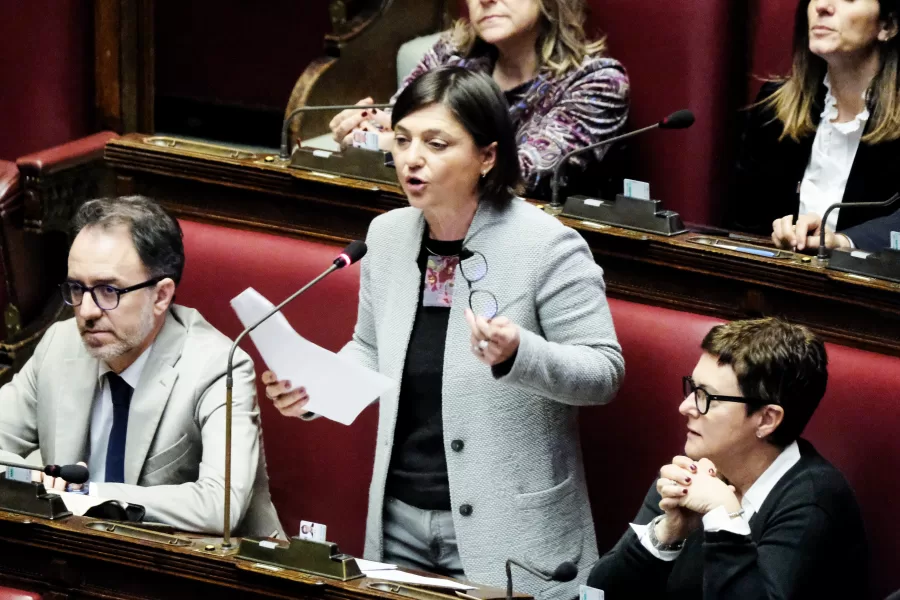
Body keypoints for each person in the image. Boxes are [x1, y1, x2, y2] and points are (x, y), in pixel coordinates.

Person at [265, 66, 625, 599]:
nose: (412, 158)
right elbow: (370, 347)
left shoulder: (548, 246)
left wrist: (519, 352)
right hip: (399, 519)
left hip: (508, 527)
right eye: (403, 139)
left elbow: (604, 372)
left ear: (487, 155)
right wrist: (316, 388)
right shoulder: (386, 237)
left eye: (436, 144)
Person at [0, 196, 282, 538]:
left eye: (108, 290)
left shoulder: (218, 367)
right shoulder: (60, 345)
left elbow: (219, 505)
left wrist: (86, 496)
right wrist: (32, 476)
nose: (86, 311)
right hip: (71, 558)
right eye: (77, 288)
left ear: (161, 295)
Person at [587, 318, 867, 599]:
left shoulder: (815, 503)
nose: (685, 407)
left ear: (766, 419)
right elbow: (599, 592)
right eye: (691, 388)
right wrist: (667, 534)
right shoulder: (695, 470)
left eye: (707, 397)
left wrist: (724, 518)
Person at [328, 0, 630, 197]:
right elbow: (395, 121)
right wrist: (364, 131)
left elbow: (520, 175)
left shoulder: (598, 83)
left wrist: (400, 143)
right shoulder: (453, 54)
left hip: (534, 248)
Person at [730, 0, 900, 252]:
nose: (823, 6)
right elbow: (744, 223)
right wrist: (780, 233)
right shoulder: (774, 109)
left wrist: (843, 243)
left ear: (887, 25)